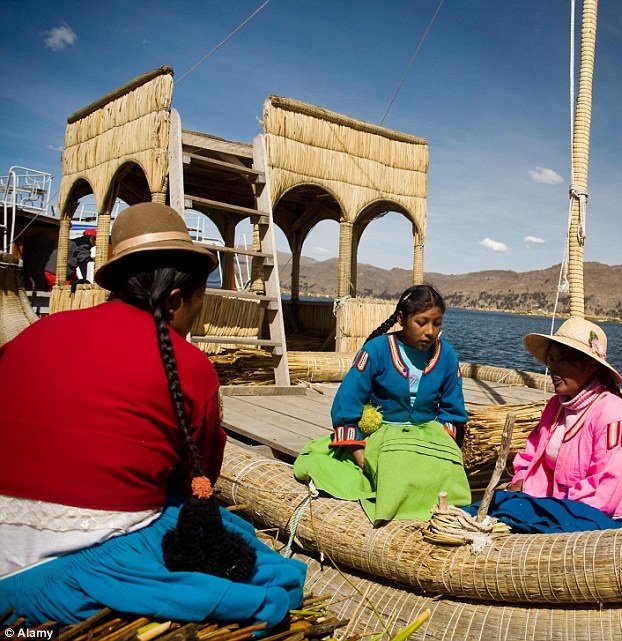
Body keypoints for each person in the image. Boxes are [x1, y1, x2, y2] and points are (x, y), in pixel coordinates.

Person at [0, 203, 305, 631]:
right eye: (200, 300)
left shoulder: (34, 334)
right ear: (175, 300)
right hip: (67, 576)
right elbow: (193, 484)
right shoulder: (189, 366)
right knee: (272, 573)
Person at [294, 284, 472, 523]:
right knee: (395, 473)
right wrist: (361, 457)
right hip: (383, 434)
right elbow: (348, 403)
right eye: (421, 323)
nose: (430, 332)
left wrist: (438, 448)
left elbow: (452, 410)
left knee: (445, 476)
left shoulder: (446, 355)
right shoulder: (376, 351)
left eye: (437, 323)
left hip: (428, 435)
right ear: (401, 319)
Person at [508, 317, 622, 525]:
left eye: (564, 360)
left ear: (590, 366)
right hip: (555, 510)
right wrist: (521, 481)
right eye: (551, 359)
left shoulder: (616, 420)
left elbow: (604, 493)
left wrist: (549, 508)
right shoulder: (556, 407)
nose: (554, 368)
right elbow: (532, 455)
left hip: (605, 522)